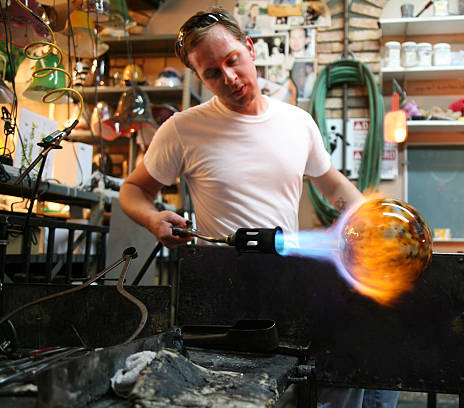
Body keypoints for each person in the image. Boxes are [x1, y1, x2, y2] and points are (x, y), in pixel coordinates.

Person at [118, 6, 396, 408]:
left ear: (249, 49)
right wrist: (151, 217)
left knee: (351, 357)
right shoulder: (182, 129)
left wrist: (372, 220)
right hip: (224, 286)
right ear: (200, 77)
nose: (229, 78)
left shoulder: (297, 122)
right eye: (212, 72)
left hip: (288, 274)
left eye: (233, 61)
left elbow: (333, 184)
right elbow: (133, 190)